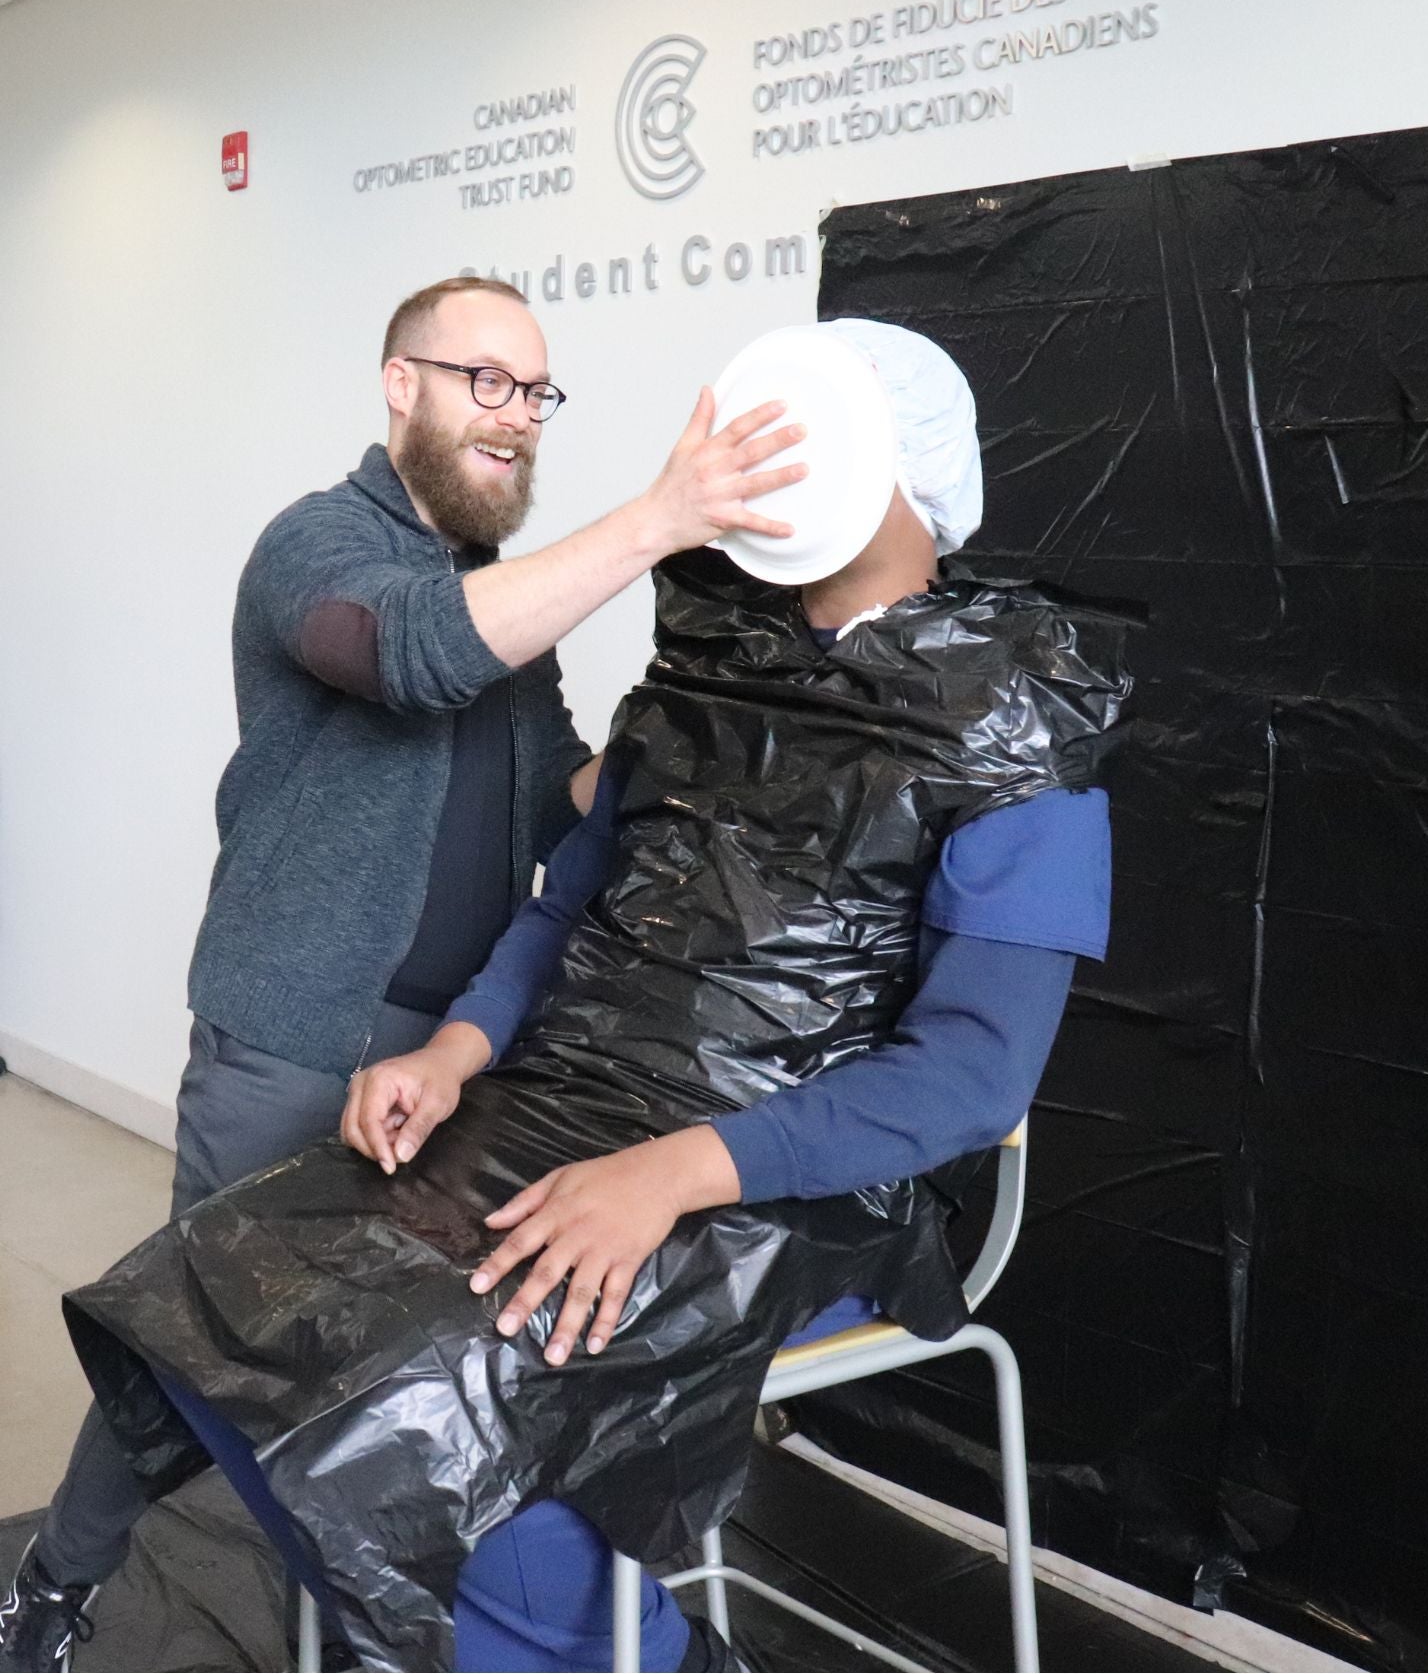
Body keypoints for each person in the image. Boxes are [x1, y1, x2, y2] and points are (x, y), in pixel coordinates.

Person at [63, 320, 1135, 1672]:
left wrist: (675, 1171)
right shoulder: (706, 673)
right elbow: (570, 896)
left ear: (901, 466)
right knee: (224, 1277)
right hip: (574, 1103)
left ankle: (633, 1645)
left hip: (802, 1178)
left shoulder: (1017, 733)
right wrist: (456, 1048)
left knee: (489, 1387)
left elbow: (971, 1079)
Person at [0, 274, 806, 1674]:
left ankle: (370, 1632)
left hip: (457, 1058)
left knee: (412, 1375)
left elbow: (561, 793)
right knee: (203, 1363)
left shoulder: (506, 600)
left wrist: (705, 733)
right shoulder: (314, 548)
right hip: (297, 1036)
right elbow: (410, 658)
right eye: (483, 380)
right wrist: (661, 517)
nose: (514, 419)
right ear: (400, 384)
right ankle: (54, 1585)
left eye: (535, 393)